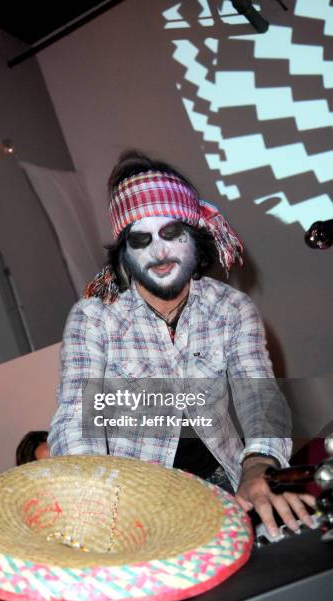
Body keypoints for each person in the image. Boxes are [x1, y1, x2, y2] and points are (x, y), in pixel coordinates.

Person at [49, 150, 315, 537]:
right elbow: (75, 421)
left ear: (196, 237)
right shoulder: (93, 318)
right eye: (141, 239)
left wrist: (257, 466)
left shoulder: (232, 308)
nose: (159, 252)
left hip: (228, 490)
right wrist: (96, 503)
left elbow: (260, 400)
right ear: (125, 255)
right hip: (140, 508)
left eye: (172, 234)